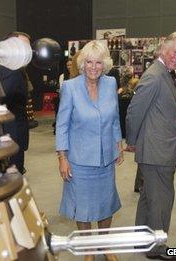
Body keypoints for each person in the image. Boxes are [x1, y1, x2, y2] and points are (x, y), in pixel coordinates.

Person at [56, 40, 123, 261]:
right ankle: (89, 249)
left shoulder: (111, 83)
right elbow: (62, 124)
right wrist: (62, 157)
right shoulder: (70, 87)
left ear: (105, 64)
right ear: (82, 64)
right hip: (79, 160)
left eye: (98, 62)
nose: (93, 67)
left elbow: (114, 119)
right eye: (89, 62)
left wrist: (118, 145)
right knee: (82, 207)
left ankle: (104, 245)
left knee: (106, 204)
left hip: (105, 158)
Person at [125, 32, 176, 260]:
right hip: (156, 152)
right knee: (162, 199)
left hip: (158, 150)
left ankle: (140, 239)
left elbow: (157, 107)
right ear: (164, 48)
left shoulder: (166, 73)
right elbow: (134, 111)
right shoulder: (155, 75)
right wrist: (131, 141)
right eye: (175, 52)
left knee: (149, 197)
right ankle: (156, 248)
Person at [0, 32, 31, 174]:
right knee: (13, 177)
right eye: (21, 46)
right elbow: (0, 98)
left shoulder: (10, 69)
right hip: (10, 133)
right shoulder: (12, 71)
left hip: (11, 132)